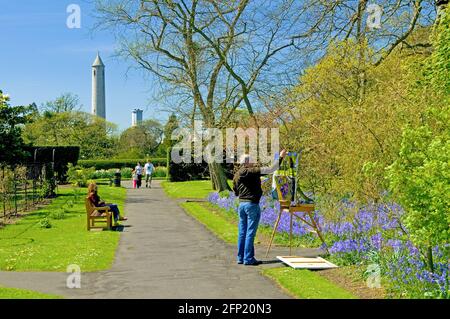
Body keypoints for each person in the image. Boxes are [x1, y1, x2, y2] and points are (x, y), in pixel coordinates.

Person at [233, 149, 287, 266]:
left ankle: (240, 257)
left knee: (242, 232)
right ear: (247, 163)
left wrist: (252, 187)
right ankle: (248, 258)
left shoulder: (237, 174)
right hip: (252, 204)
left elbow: (236, 191)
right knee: (250, 232)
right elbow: (271, 169)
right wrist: (281, 157)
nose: (254, 162)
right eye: (252, 161)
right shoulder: (252, 171)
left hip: (241, 204)